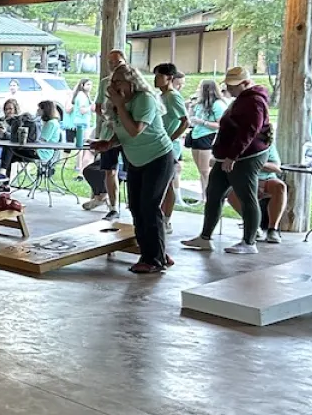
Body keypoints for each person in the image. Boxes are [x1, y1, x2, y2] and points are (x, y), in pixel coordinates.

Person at [90, 64, 175, 273]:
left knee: (149, 206)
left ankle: (153, 260)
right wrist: (109, 143)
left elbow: (135, 130)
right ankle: (155, 252)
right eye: (112, 81)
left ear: (131, 82)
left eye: (118, 80)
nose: (114, 85)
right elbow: (124, 132)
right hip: (136, 160)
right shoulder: (119, 104)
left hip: (158, 157)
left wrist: (119, 103)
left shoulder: (144, 99)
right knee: (136, 207)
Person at [182, 66, 272, 255]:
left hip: (245, 156)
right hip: (228, 155)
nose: (229, 89)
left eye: (233, 86)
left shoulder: (254, 101)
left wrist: (233, 156)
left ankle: (249, 242)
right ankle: (205, 237)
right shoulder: (242, 99)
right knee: (213, 193)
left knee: (247, 196)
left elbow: (249, 131)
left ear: (246, 83)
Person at [83, 50, 128, 220]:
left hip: (129, 134)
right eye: (110, 63)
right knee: (110, 170)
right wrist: (110, 120)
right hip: (109, 133)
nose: (114, 66)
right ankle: (113, 206)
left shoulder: (133, 82)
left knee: (134, 170)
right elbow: (98, 106)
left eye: (117, 62)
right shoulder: (104, 83)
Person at [153, 64, 190, 234]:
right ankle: (160, 216)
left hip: (169, 147)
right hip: (159, 144)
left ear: (168, 78)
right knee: (160, 184)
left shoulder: (173, 97)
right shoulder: (161, 96)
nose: (155, 79)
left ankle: (167, 220)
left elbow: (185, 121)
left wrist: (170, 139)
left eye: (158, 76)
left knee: (167, 184)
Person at [227, 148, 286, 244]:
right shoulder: (235, 143)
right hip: (243, 180)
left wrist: (253, 163)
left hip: (266, 179)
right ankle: (254, 225)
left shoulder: (267, 144)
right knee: (231, 193)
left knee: (280, 187)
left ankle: (272, 230)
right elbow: (213, 161)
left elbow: (276, 167)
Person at [185, 79, 226, 203]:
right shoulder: (199, 103)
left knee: (205, 170)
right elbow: (191, 118)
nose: (198, 90)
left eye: (200, 88)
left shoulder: (218, 104)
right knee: (201, 170)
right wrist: (190, 108)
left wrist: (203, 122)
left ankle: (211, 197)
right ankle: (204, 196)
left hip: (207, 136)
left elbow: (221, 124)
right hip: (196, 136)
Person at [68, 78, 93, 169]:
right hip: (82, 124)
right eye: (88, 84)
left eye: (91, 85)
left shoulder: (84, 95)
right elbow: (82, 110)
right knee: (82, 147)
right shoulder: (82, 96)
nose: (90, 87)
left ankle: (79, 166)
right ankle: (80, 166)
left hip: (83, 123)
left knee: (81, 146)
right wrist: (91, 107)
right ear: (82, 85)